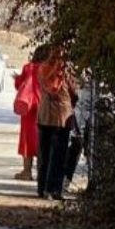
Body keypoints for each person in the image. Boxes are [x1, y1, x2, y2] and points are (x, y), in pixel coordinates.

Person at [36, 46, 78, 200]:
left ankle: (41, 188)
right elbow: (74, 92)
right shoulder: (66, 71)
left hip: (44, 115)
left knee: (44, 153)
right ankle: (54, 189)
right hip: (61, 116)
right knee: (58, 156)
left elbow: (41, 85)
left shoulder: (43, 69)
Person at [12, 45, 49, 181]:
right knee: (42, 139)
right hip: (45, 107)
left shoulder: (28, 68)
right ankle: (42, 173)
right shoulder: (49, 69)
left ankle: (27, 172)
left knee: (27, 139)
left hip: (29, 109)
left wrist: (16, 78)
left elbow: (19, 86)